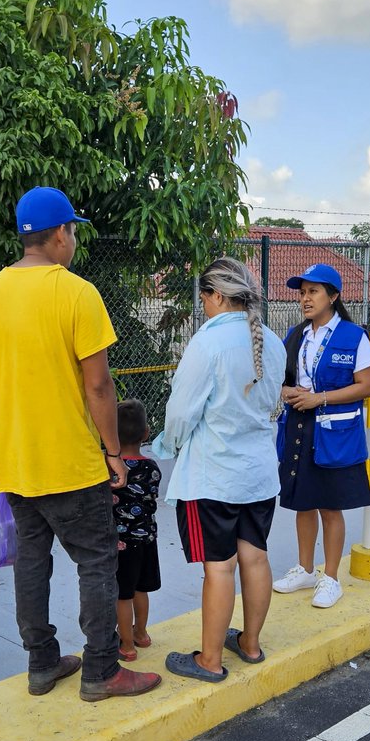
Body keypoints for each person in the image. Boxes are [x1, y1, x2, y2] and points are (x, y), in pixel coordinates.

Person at [0, 186, 161, 702]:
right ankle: (101, 670)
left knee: (32, 563)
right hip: (72, 464)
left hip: (17, 464)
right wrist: (113, 452)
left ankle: (42, 664)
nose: (72, 239)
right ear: (60, 235)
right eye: (72, 230)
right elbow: (98, 386)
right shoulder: (77, 293)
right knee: (97, 562)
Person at [151, 257, 285, 682]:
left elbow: (180, 413)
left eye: (204, 296)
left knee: (219, 566)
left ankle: (209, 661)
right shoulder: (273, 341)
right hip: (260, 473)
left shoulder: (207, 345)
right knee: (255, 557)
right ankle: (250, 644)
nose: (203, 304)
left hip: (215, 477)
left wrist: (167, 446)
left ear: (218, 295)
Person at [272, 263, 370, 609]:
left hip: (334, 435)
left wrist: (320, 398)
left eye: (313, 292)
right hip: (298, 428)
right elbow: (282, 380)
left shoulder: (353, 336)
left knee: (330, 507)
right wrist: (288, 392)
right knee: (303, 503)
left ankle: (330, 577)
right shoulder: (295, 335)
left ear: (333, 296)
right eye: (302, 292)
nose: (305, 298)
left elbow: (366, 386)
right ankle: (305, 569)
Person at [112, 398, 161, 661]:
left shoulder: (110, 469)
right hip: (147, 540)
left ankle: (127, 645)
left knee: (123, 595)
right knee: (140, 590)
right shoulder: (151, 468)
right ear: (146, 433)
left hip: (122, 544)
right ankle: (141, 633)